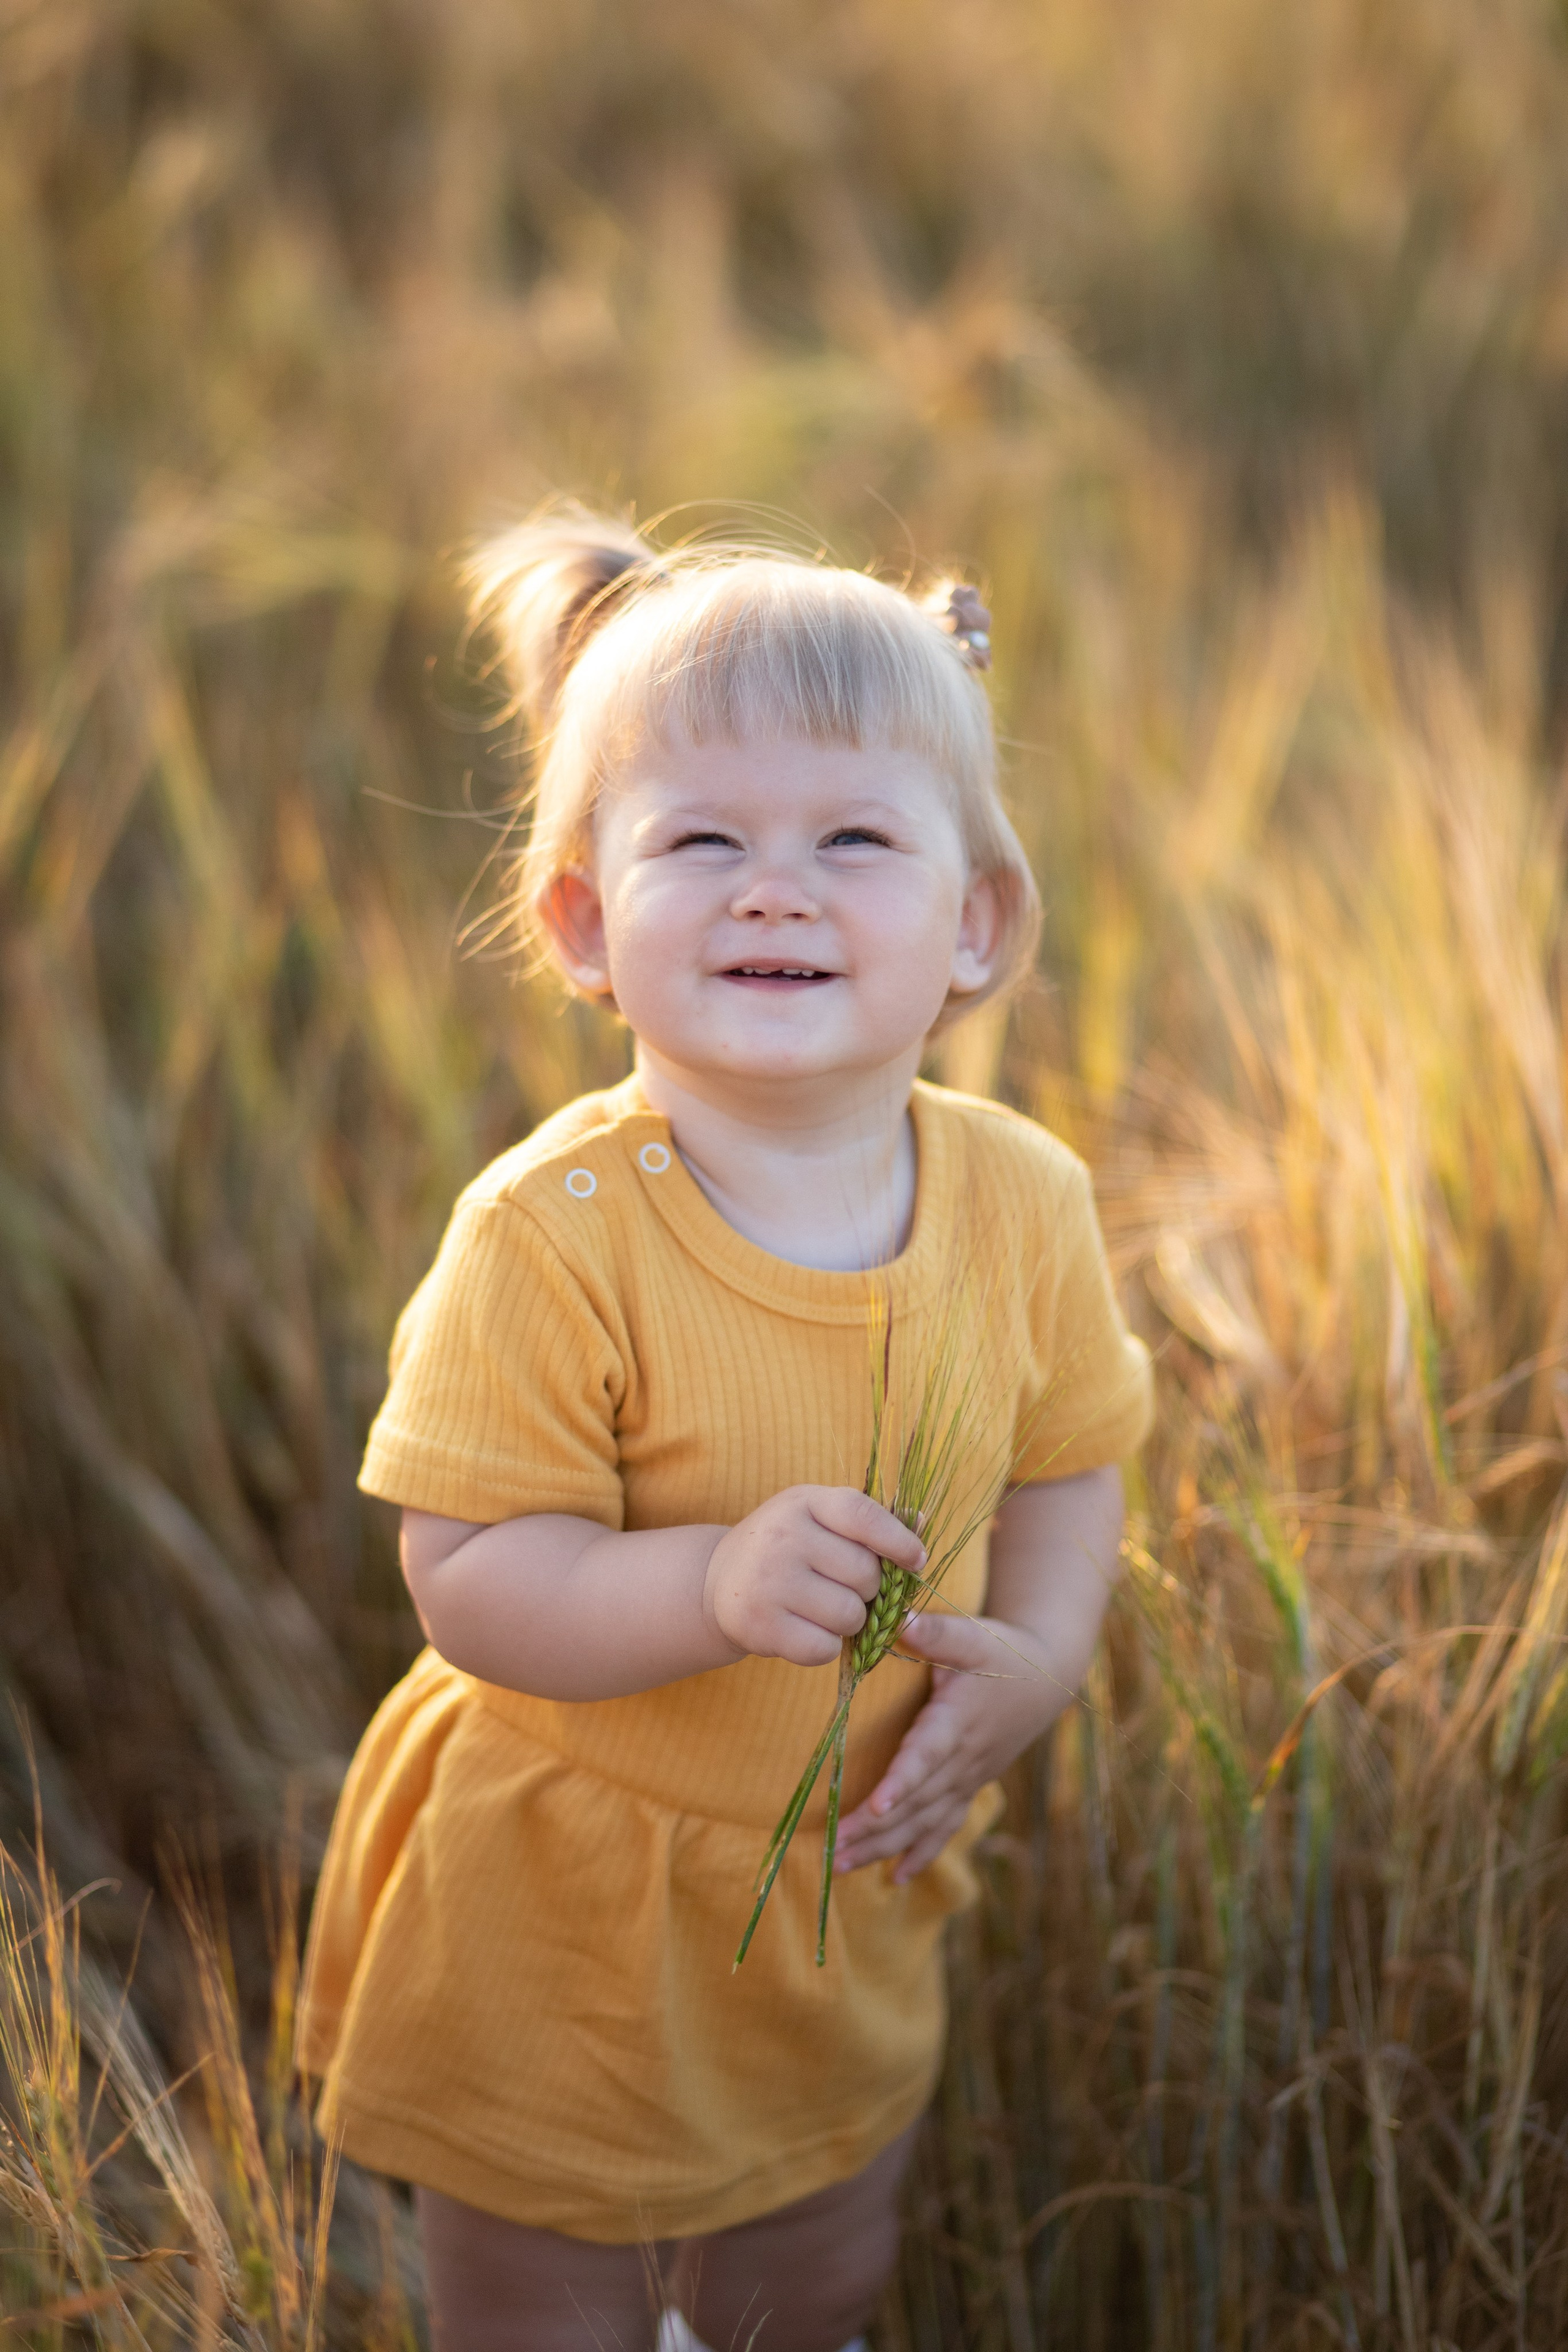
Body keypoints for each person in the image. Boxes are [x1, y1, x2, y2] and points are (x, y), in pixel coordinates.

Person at [297, 510, 1153, 2352]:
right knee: (551, 2312)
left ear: (977, 917)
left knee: (814, 2280)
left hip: (843, 1889)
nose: (779, 890)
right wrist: (711, 1578)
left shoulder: (1020, 1198)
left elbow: (1068, 1464)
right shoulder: (553, 1233)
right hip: (570, 1917)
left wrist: (1042, 1660)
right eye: (704, 843)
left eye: (854, 838)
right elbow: (468, 1574)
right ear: (588, 926)